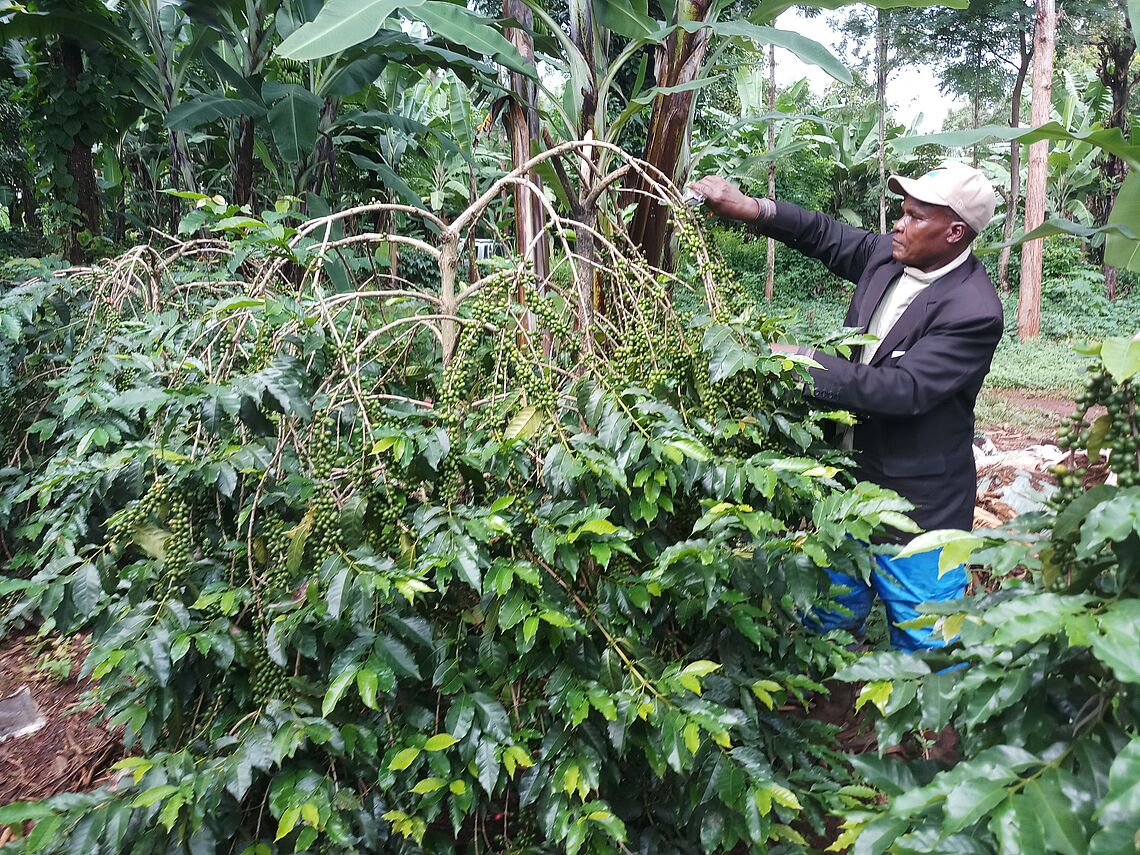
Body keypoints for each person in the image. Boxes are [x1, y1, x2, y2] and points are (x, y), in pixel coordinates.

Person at [689, 161, 1003, 651]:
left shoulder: (973, 310)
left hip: (918, 508)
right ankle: (834, 685)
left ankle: (920, 700)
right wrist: (752, 208)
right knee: (829, 620)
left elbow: (903, 390)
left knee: (927, 646)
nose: (899, 223)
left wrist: (804, 363)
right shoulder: (889, 257)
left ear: (955, 232)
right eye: (902, 211)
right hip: (850, 487)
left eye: (915, 216)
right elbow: (824, 234)